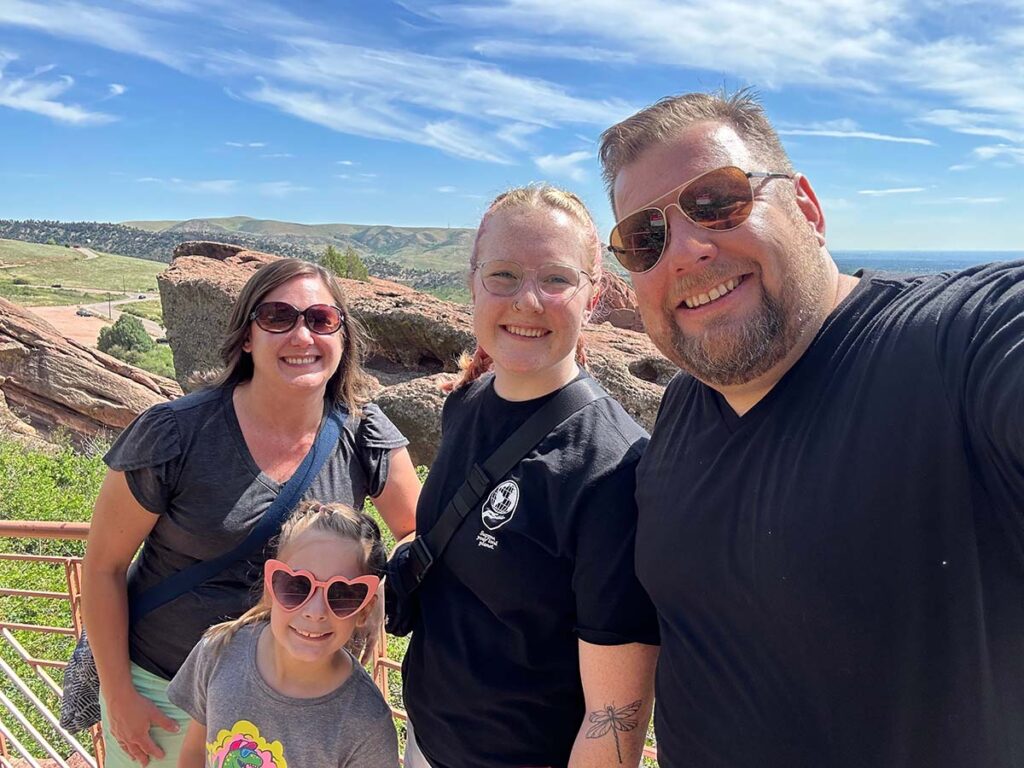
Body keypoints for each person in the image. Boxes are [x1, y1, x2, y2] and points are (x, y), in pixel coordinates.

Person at [599, 89, 1024, 767]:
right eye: (644, 238)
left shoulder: (955, 346)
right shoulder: (682, 407)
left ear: (807, 208)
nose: (685, 250)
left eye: (718, 201)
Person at [82, 258, 419, 767]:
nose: (302, 335)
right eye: (278, 317)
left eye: (321, 319)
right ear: (246, 337)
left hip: (295, 705)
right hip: (164, 690)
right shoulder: (175, 434)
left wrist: (369, 609)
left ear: (343, 337)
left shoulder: (362, 433)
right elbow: (104, 566)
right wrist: (120, 696)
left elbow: (416, 537)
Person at [401, 185, 660, 768]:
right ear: (472, 283)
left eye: (557, 279)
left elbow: (613, 713)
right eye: (504, 275)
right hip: (424, 740)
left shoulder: (612, 468)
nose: (529, 301)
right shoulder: (465, 404)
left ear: (594, 295)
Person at [167, 501, 400, 768]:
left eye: (342, 594)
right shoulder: (219, 651)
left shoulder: (366, 724)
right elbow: (195, 752)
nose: (316, 611)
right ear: (271, 586)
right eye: (298, 585)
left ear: (364, 609)